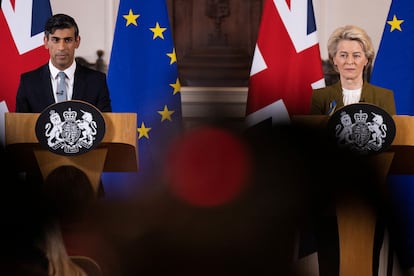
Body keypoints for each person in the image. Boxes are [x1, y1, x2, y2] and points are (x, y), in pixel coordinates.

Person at [15, 13, 112, 113]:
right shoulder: (28, 82)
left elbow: (104, 124)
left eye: (68, 40)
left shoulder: (97, 81)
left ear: (77, 41)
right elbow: (21, 125)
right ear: (46, 41)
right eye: (55, 40)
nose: (61, 47)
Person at [310, 25, 396, 116]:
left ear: (366, 59)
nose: (349, 61)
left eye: (356, 55)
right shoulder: (320, 96)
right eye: (343, 55)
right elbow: (315, 130)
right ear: (334, 59)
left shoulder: (384, 97)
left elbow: (391, 130)